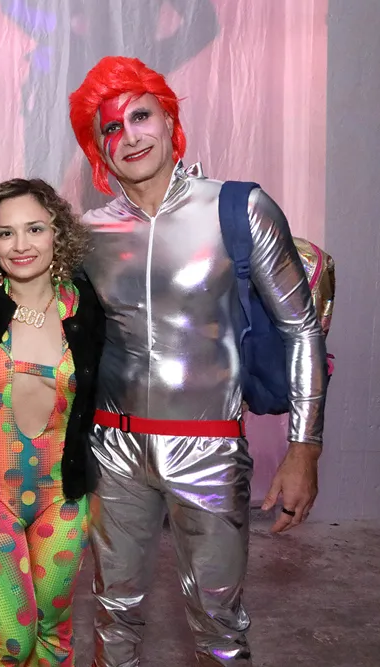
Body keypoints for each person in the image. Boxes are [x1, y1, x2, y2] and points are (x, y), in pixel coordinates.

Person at [68, 56, 327, 666]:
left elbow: (301, 327)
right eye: (111, 127)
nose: (129, 135)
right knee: (112, 616)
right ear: (99, 149)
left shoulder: (239, 208)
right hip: (113, 449)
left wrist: (304, 449)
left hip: (208, 448)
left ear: (169, 120)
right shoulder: (86, 234)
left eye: (141, 116)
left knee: (220, 627)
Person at [0, 178, 105, 666]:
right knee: (12, 639)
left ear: (57, 233)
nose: (20, 245)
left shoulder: (85, 308)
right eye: (5, 233)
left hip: (64, 496)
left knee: (53, 633)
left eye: (34, 229)